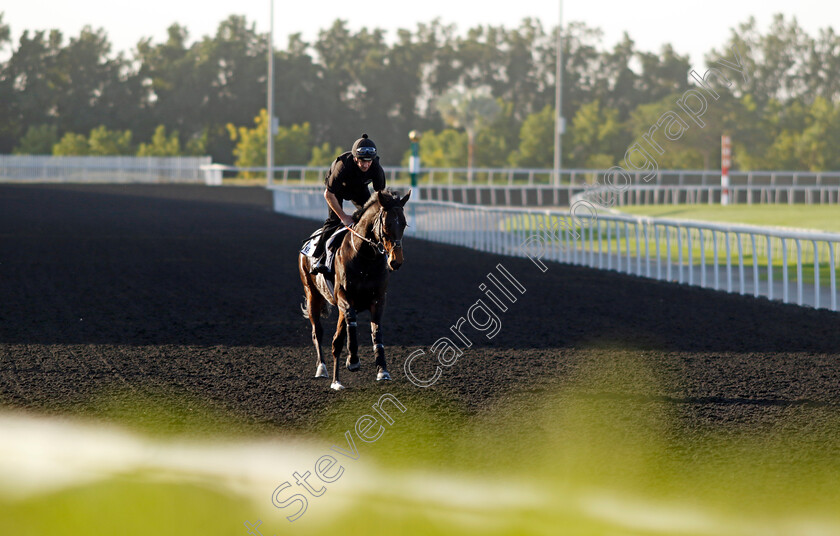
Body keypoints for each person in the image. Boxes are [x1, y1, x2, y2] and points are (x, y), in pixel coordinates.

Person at [309, 134, 386, 274]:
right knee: (334, 220)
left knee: (373, 218)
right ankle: (318, 258)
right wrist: (344, 217)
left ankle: (382, 256)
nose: (366, 165)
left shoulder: (376, 168)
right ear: (355, 158)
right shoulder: (343, 166)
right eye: (362, 161)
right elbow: (328, 194)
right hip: (336, 191)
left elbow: (380, 195)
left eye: (369, 161)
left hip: (359, 190)